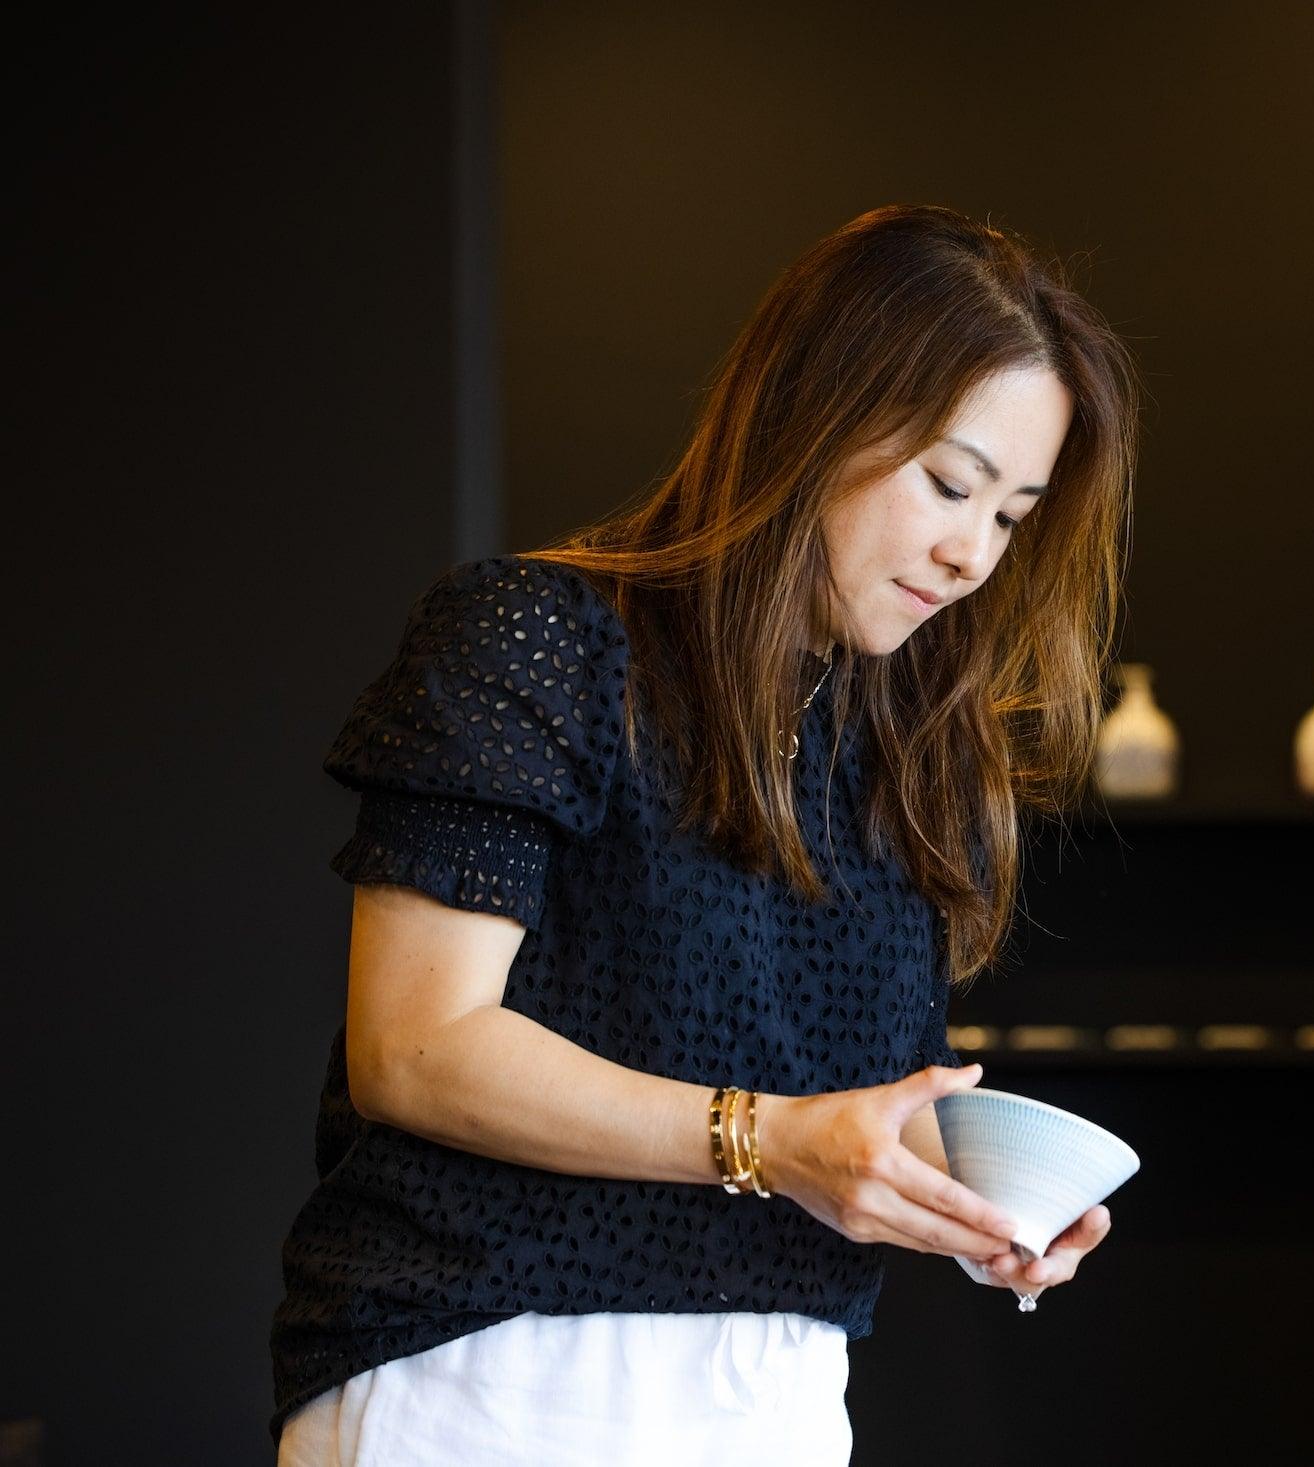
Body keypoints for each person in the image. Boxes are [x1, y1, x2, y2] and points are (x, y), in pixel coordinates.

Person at [269, 203, 1141, 1464]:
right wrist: (772, 1142)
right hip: (490, 1375)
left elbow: (834, 1116)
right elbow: (412, 1047)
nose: (968, 555)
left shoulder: (907, 755)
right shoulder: (540, 638)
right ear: (811, 415)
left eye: (1010, 516)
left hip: (777, 1398)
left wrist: (964, 1195)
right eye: (950, 483)